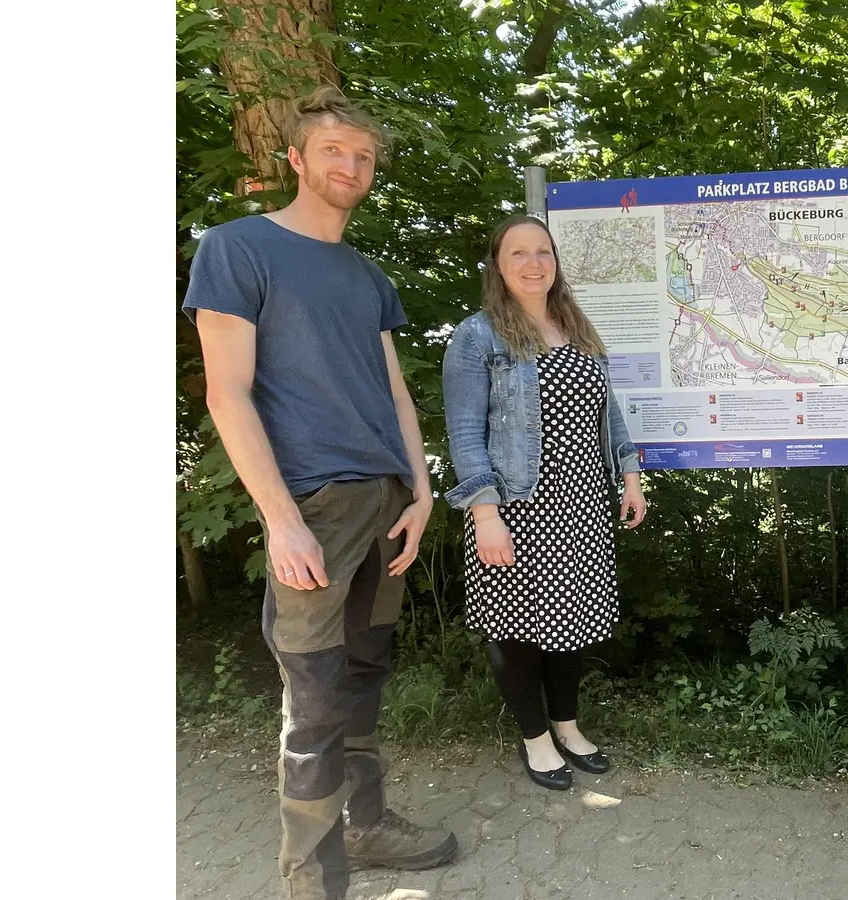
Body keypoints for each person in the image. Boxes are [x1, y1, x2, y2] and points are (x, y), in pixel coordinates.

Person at [183, 86, 457, 900]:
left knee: (366, 670)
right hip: (313, 510)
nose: (351, 164)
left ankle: (366, 829)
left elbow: (395, 392)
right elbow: (227, 394)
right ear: (296, 158)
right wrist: (279, 521)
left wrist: (422, 489)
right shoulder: (238, 249)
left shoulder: (367, 274)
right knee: (313, 693)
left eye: (364, 155)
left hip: (385, 507)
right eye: (333, 150)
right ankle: (311, 879)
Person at [442, 214, 647, 791]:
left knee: (571, 627)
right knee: (514, 630)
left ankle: (568, 725)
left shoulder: (576, 329)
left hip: (581, 503)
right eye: (519, 254)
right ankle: (535, 738)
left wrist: (629, 475)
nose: (534, 263)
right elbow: (464, 432)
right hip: (515, 506)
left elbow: (610, 415)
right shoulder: (478, 336)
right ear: (498, 266)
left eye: (544, 252)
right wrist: (485, 514)